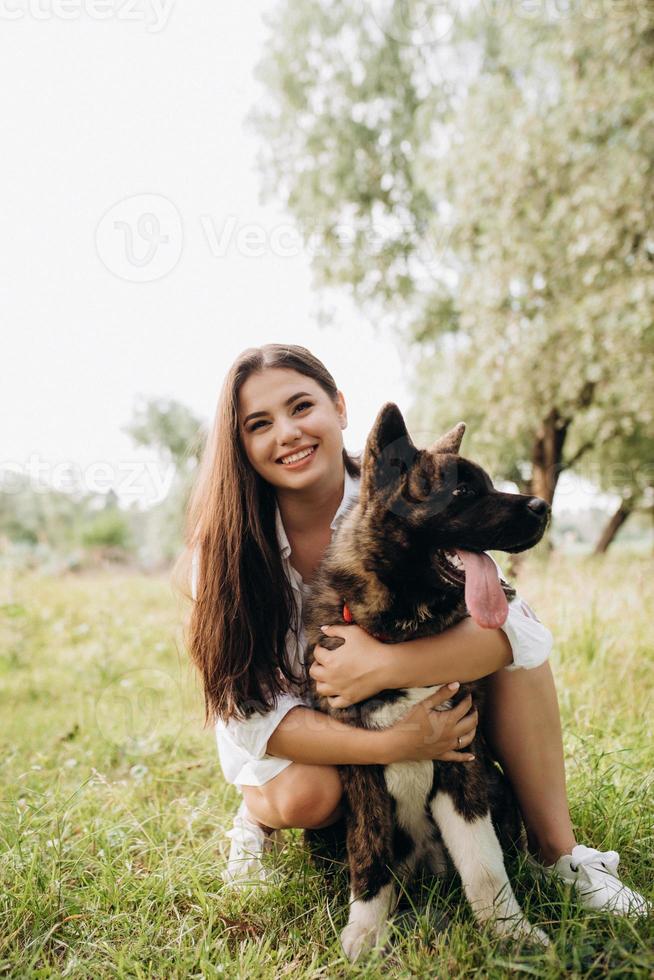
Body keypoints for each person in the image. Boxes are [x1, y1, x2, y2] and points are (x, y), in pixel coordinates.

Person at [180, 343, 648, 916]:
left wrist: (384, 666)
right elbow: (254, 718)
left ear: (339, 408)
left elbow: (523, 635)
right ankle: (254, 815)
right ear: (242, 445)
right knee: (309, 796)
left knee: (513, 656)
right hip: (301, 729)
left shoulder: (407, 490)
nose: (287, 433)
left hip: (393, 690)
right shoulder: (225, 551)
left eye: (301, 407)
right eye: (259, 424)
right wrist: (395, 744)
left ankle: (559, 853)